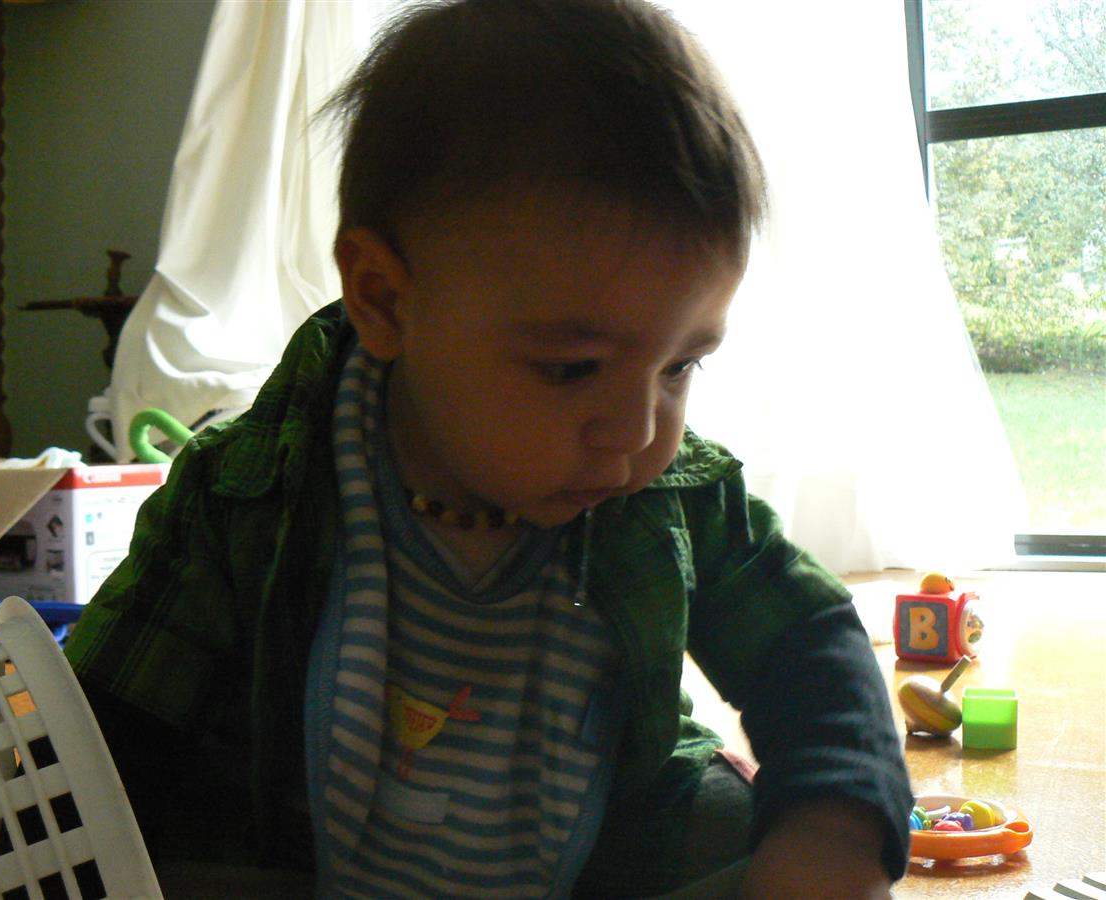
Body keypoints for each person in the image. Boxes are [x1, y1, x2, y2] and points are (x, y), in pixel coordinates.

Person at [65, 1, 913, 896]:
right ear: (384, 300)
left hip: (600, 863)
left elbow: (806, 643)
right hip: (298, 867)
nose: (638, 434)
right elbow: (100, 734)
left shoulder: (672, 493)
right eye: (572, 368)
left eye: (680, 366)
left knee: (735, 820)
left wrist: (835, 826)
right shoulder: (243, 494)